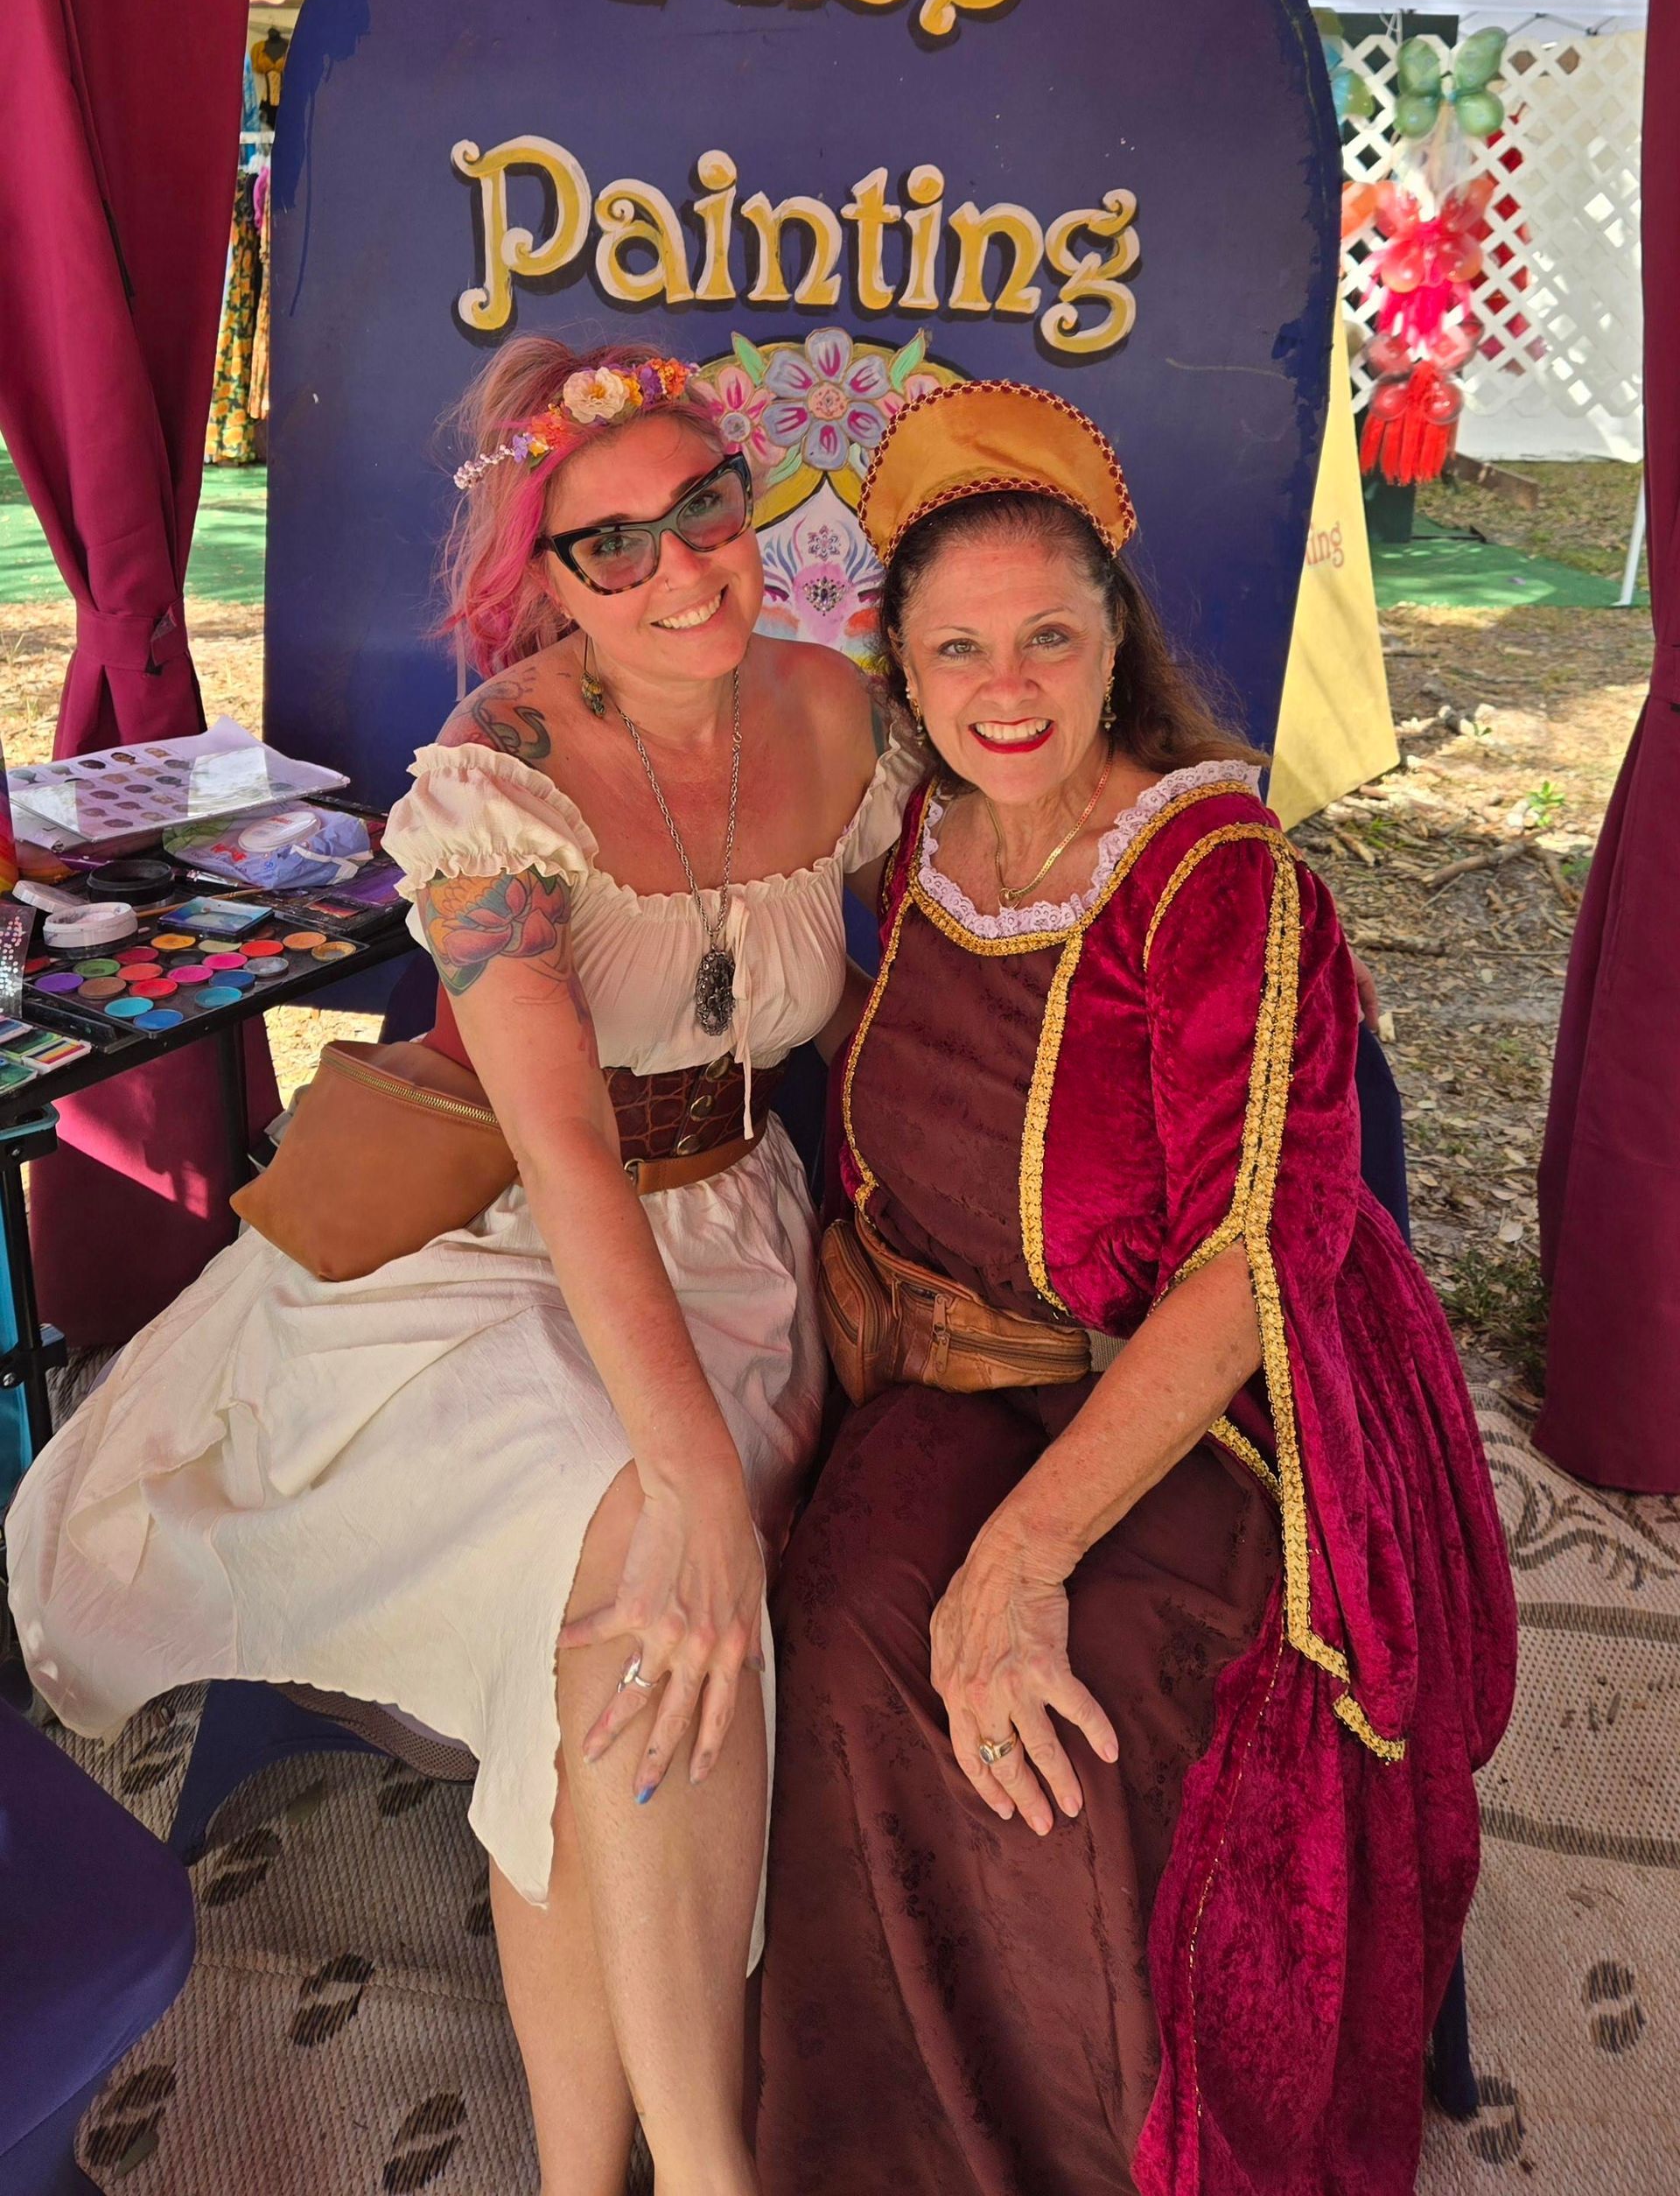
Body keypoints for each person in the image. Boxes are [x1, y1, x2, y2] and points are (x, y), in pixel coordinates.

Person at [6, 335, 920, 2196]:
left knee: (604, 1669)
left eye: (707, 508)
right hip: (502, 1241)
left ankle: (600, 2180)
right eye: (612, 546)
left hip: (739, 1232)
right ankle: (712, 2170)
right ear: (546, 582)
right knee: (634, 1547)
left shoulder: (842, 713)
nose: (680, 569)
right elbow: (570, 1145)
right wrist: (692, 1483)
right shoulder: (499, 769)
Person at [755, 382, 1518, 2196]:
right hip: (956, 1374)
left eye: (1046, 637)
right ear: (902, 668)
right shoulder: (917, 846)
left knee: (1076, 1720)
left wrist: (1022, 1562)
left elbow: (1257, 1256)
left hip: (1210, 1400)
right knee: (854, 1639)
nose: (1003, 687)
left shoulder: (1213, 883)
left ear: (1119, 644)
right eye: (956, 648)